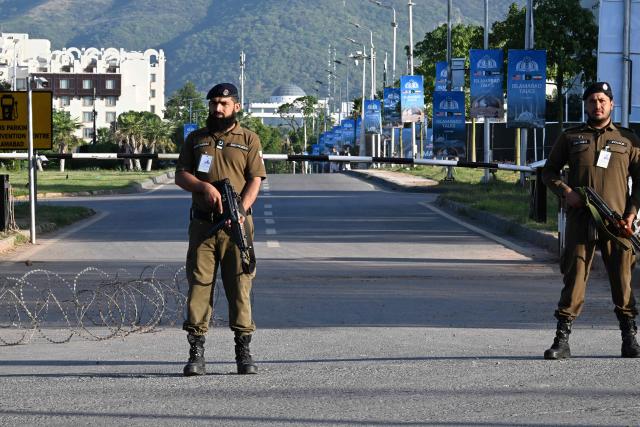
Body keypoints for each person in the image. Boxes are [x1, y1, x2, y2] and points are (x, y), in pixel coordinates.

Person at [542, 82, 640, 359]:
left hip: (617, 223)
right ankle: (562, 341)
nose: (597, 105)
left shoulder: (628, 139)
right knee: (574, 277)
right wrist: (566, 192)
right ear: (585, 105)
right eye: (592, 101)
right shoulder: (571, 137)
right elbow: (549, 172)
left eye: (602, 100)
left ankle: (629, 338)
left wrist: (632, 214)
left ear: (611, 104)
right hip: (580, 219)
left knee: (623, 279)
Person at [175, 83, 267, 375]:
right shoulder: (195, 139)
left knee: (240, 286)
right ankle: (196, 351)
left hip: (237, 226)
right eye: (214, 103)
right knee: (200, 286)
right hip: (204, 225)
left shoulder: (249, 139)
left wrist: (241, 210)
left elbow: (255, 179)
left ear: (236, 107)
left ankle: (243, 351)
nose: (217, 108)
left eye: (224, 104)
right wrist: (203, 187)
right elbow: (181, 175)